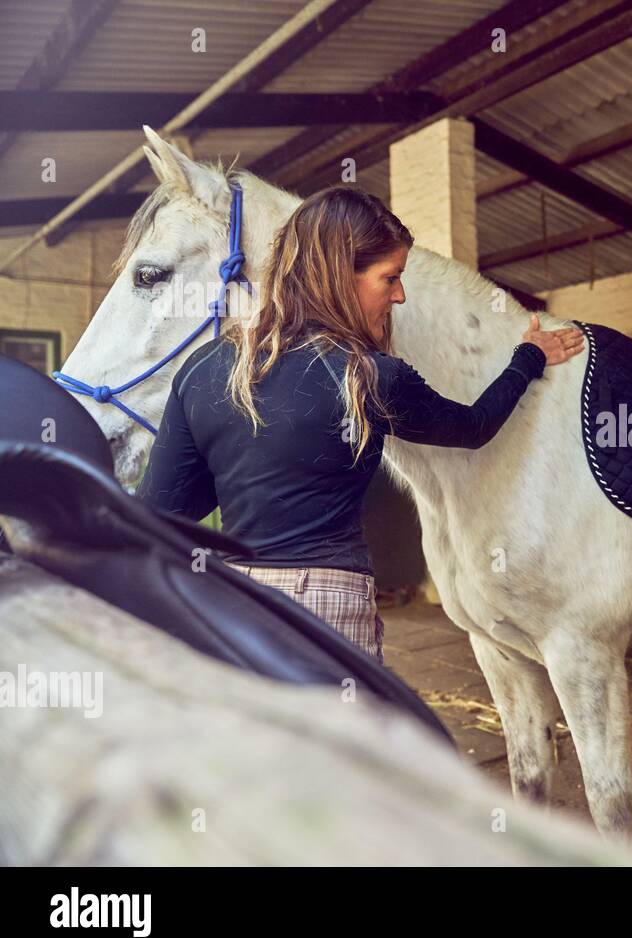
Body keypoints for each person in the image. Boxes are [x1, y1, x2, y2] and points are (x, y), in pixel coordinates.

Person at [136, 187, 584, 661]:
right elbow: (472, 428)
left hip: (235, 609)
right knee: (343, 736)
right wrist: (529, 358)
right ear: (339, 276)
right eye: (389, 278)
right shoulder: (367, 375)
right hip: (326, 603)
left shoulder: (202, 370)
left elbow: (162, 511)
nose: (400, 294)